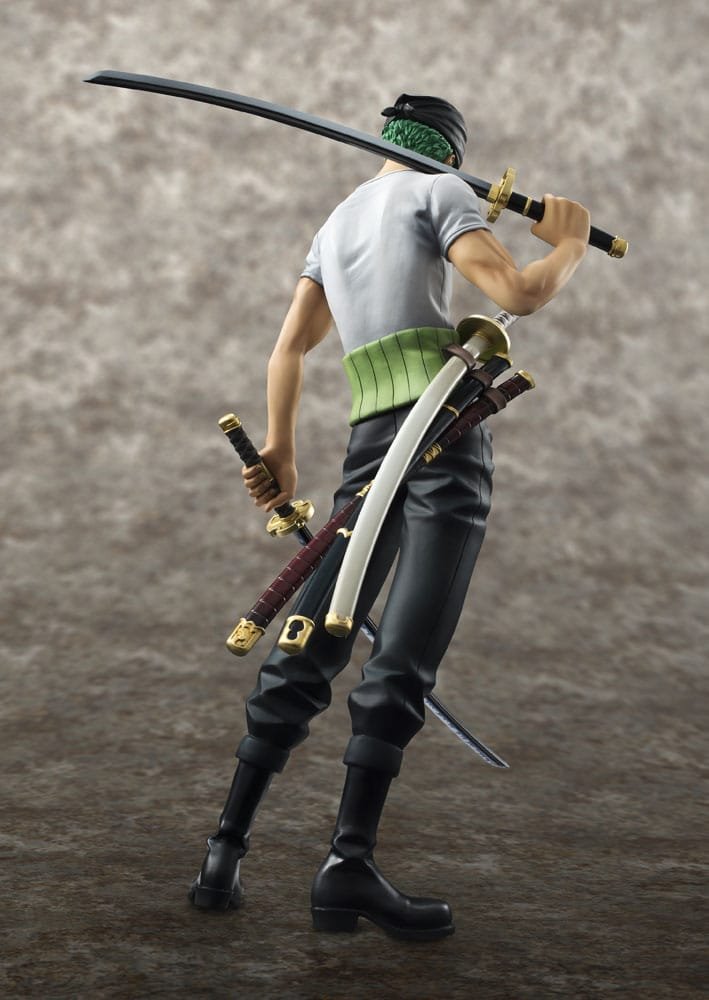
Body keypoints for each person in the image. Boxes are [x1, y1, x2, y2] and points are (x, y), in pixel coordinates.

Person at [190, 94, 590, 939]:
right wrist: (570, 243)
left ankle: (223, 852)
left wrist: (281, 448)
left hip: (372, 436)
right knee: (401, 656)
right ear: (452, 153)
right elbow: (518, 292)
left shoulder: (337, 222)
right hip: (443, 430)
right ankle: (348, 865)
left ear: (384, 140)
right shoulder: (438, 190)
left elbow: (288, 348)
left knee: (311, 634)